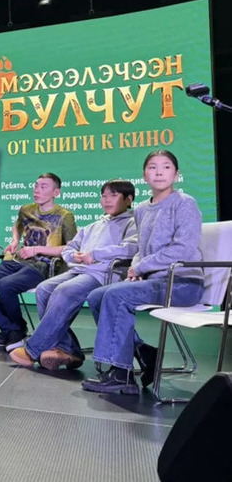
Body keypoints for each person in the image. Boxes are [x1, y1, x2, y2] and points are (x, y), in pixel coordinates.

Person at [82, 150, 204, 395]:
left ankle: (121, 375)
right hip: (154, 281)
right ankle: (143, 352)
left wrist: (141, 266)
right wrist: (135, 269)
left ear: (177, 174)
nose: (159, 172)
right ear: (144, 175)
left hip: (182, 282)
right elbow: (141, 247)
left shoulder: (185, 203)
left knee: (116, 296)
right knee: (96, 296)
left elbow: (183, 248)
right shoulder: (141, 210)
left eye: (166, 167)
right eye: (153, 167)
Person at [9, 180, 137, 370]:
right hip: (80, 270)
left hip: (105, 274)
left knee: (65, 291)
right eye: (103, 196)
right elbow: (70, 247)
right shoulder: (94, 225)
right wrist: (74, 256)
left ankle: (32, 350)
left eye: (113, 195)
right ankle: (68, 349)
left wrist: (95, 254)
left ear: (129, 200)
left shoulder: (133, 222)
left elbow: (131, 248)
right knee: (44, 289)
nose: (107, 200)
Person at [0, 173, 77, 351]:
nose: (37, 190)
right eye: (36, 186)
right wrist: (15, 240)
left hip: (43, 266)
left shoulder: (65, 216)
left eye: (43, 187)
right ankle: (13, 328)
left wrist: (37, 250)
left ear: (56, 192)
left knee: (5, 285)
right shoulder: (26, 209)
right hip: (19, 260)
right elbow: (17, 225)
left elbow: (71, 248)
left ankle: (13, 330)